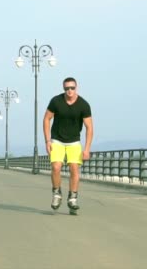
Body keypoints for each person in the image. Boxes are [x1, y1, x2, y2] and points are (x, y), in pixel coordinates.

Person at [43, 77, 93, 213]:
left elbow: (89, 127)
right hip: (57, 140)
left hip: (74, 141)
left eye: (72, 88)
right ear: (63, 89)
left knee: (74, 169)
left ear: (76, 88)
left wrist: (87, 148)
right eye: (66, 88)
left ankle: (72, 198)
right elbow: (46, 119)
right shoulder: (56, 101)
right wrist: (47, 141)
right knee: (56, 167)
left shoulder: (83, 105)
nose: (69, 91)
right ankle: (57, 193)